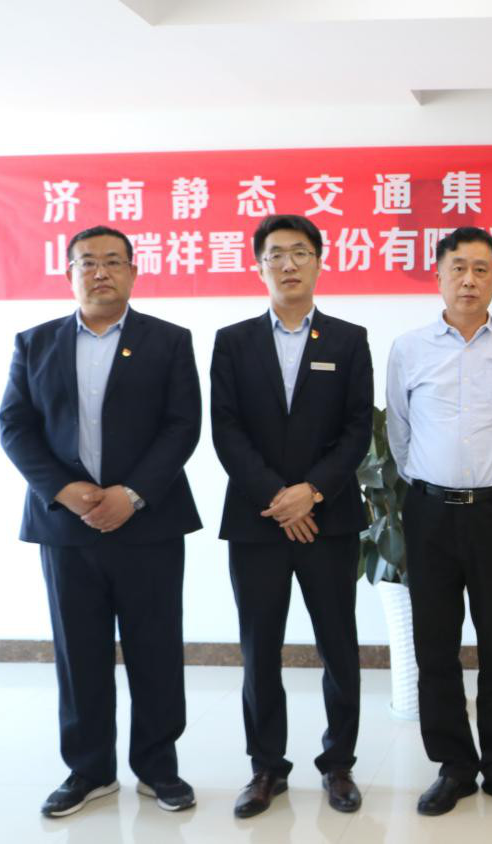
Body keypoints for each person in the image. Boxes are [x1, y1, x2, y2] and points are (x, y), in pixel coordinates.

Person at [0, 225, 202, 817]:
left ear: (133, 272)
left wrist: (131, 494)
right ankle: (89, 771)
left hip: (149, 522)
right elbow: (15, 426)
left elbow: (182, 425)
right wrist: (64, 490)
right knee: (78, 651)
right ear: (69, 273)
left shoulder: (168, 341)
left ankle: (159, 769)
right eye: (87, 262)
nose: (101, 271)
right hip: (66, 525)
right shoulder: (35, 343)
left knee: (155, 648)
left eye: (113, 261)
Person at [210, 214, 373, 818]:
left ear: (319, 262)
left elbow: (357, 429)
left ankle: (339, 764)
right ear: (259, 266)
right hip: (257, 521)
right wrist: (280, 500)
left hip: (328, 520)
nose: (288, 263)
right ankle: (265, 768)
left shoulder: (348, 339)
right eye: (275, 254)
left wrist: (313, 492)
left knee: (338, 646)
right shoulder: (233, 341)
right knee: (260, 649)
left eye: (300, 252)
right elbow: (226, 429)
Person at [386, 227, 492, 816]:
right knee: (435, 647)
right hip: (428, 513)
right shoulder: (409, 348)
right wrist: (436, 480)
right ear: (439, 275)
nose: (469, 280)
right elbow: (399, 434)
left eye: (481, 269)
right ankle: (453, 765)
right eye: (458, 268)